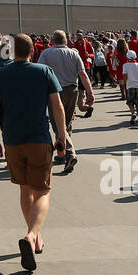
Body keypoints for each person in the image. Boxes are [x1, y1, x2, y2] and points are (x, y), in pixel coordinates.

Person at [0, 33, 68, 272]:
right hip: (39, 138)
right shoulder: (43, 71)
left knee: (25, 189)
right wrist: (62, 138)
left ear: (10, 52)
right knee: (42, 190)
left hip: (12, 139)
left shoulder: (0, 74)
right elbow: (57, 106)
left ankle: (36, 237)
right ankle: (32, 234)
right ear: (33, 50)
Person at [36, 31, 94, 175]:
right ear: (66, 41)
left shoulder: (46, 53)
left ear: (52, 41)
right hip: (72, 91)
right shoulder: (74, 54)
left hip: (55, 92)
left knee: (58, 124)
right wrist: (90, 93)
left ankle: (71, 153)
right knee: (66, 123)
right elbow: (83, 74)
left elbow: (39, 72)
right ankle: (62, 155)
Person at [121, 50, 138, 125]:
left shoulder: (125, 65)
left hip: (130, 85)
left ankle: (133, 112)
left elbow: (124, 76)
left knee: (130, 102)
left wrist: (125, 83)